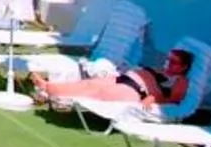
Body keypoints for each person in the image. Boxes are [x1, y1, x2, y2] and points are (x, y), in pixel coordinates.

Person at [35, 46, 194, 111]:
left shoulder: (180, 80)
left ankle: (56, 95)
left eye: (173, 62)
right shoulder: (162, 70)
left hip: (136, 90)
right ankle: (48, 87)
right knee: (88, 84)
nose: (168, 63)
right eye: (168, 59)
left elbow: (173, 100)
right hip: (124, 78)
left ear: (183, 67)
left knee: (99, 93)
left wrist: (152, 98)